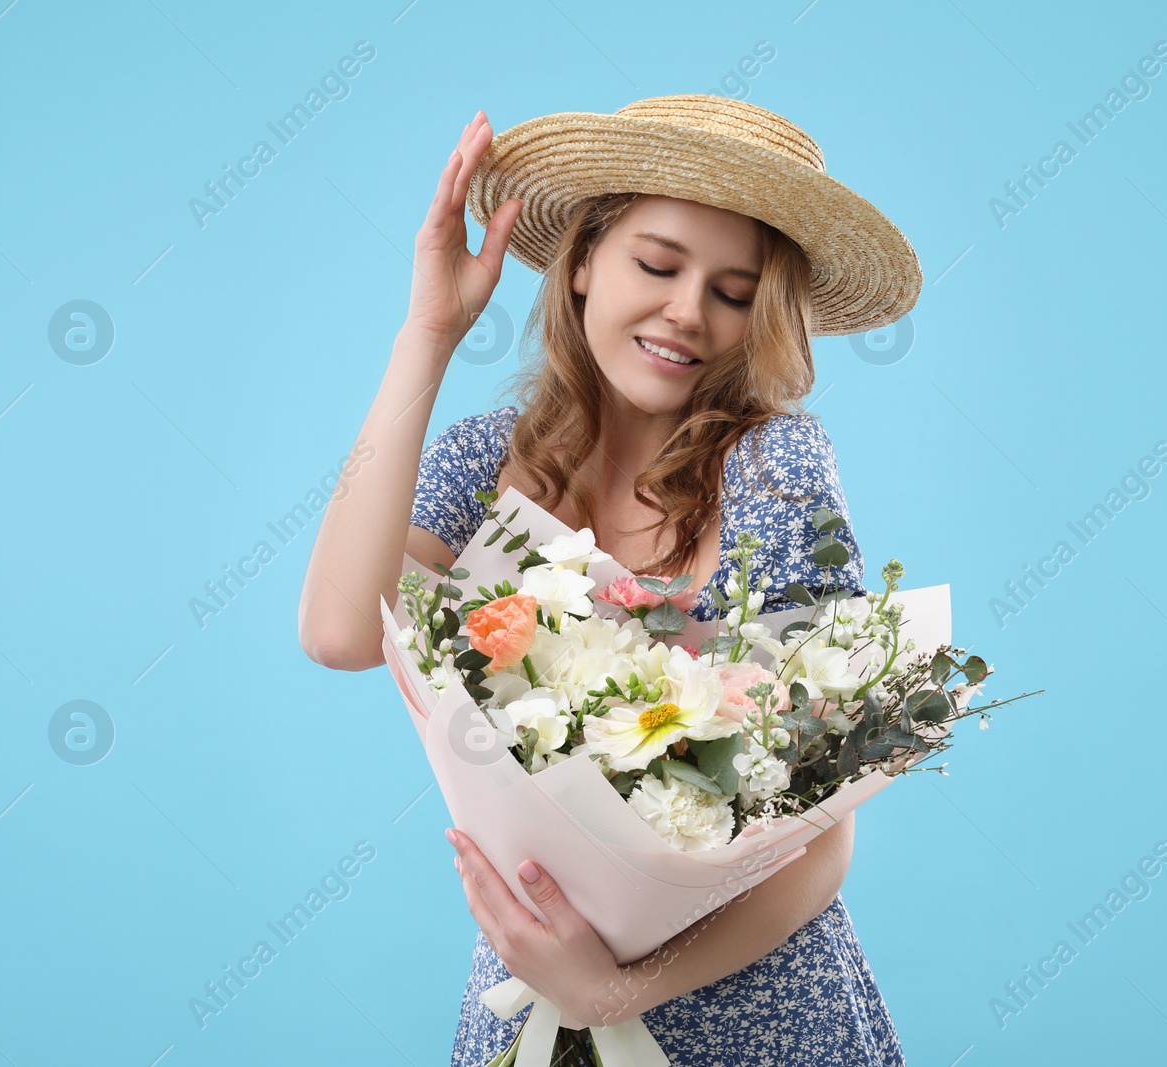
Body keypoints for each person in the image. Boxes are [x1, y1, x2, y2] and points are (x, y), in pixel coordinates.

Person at [298, 94, 921, 1066]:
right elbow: (340, 630)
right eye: (659, 263)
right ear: (583, 260)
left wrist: (618, 989)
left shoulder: (773, 467)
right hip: (529, 1003)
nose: (687, 309)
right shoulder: (479, 459)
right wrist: (426, 333)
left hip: (755, 1021)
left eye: (733, 289)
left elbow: (821, 833)